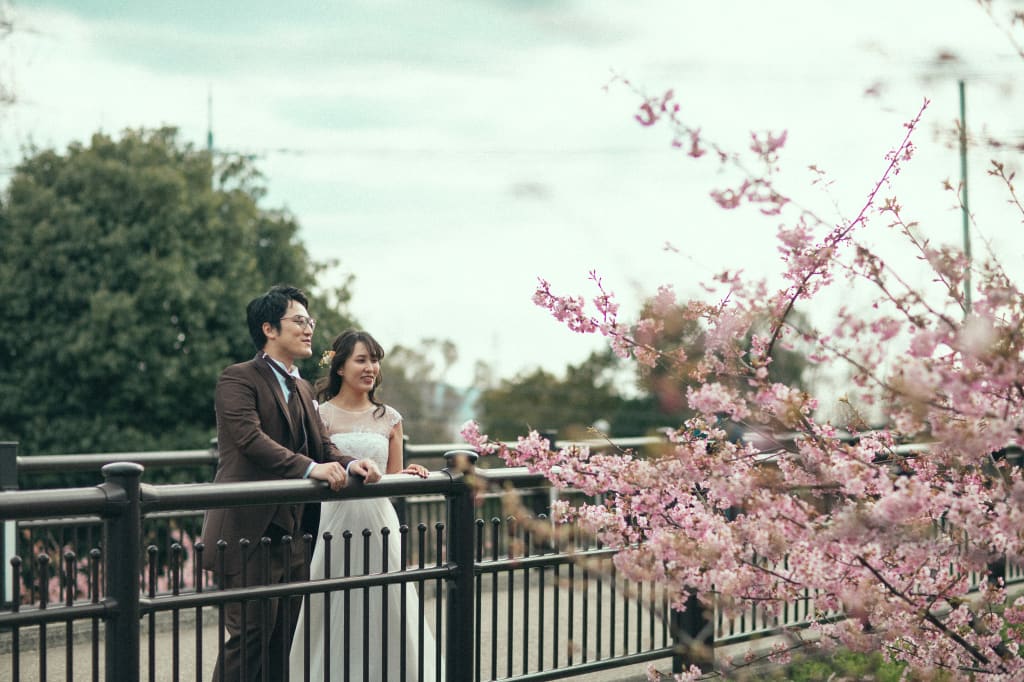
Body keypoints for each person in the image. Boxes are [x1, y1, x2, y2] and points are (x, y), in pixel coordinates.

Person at [200, 285, 382, 682]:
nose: (308, 329)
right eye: (299, 321)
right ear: (269, 328)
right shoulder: (238, 378)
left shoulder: (301, 386)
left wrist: (353, 465)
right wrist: (308, 468)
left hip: (294, 533)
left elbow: (323, 445)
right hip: (249, 530)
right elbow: (249, 441)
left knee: (284, 642)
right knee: (248, 639)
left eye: (309, 322)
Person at [288, 330, 441, 682]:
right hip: (333, 520)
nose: (370, 367)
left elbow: (389, 476)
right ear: (340, 366)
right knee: (331, 596)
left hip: (380, 520)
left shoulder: (390, 418)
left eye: (374, 360)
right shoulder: (318, 413)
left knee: (387, 597)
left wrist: (406, 474)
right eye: (361, 359)